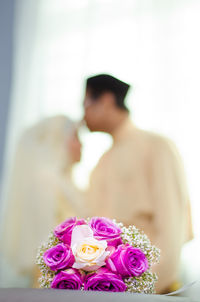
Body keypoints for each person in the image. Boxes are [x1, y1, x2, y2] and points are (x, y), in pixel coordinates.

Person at [83, 74, 193, 294]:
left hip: (149, 289)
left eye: (85, 103)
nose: (83, 114)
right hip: (109, 291)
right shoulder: (103, 161)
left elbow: (172, 225)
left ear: (105, 100)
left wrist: (146, 287)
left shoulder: (156, 146)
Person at [0, 115, 84, 287]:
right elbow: (42, 241)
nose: (81, 144)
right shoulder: (45, 182)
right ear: (58, 140)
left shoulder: (66, 183)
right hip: (50, 279)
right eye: (75, 137)